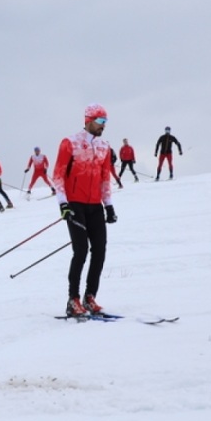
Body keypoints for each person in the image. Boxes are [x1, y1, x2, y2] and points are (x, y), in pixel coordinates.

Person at [52, 104, 117, 317]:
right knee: (80, 251)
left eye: (106, 122)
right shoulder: (70, 142)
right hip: (75, 205)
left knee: (100, 250)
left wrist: (108, 206)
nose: (103, 126)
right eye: (101, 121)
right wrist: (63, 204)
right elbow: (58, 175)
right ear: (89, 119)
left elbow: (105, 178)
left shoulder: (104, 146)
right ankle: (73, 300)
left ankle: (90, 297)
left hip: (95, 206)